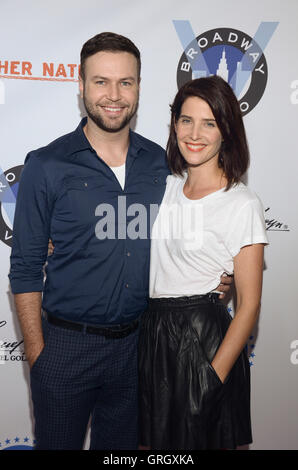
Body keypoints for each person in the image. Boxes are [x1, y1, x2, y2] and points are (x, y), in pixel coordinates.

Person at [8, 32, 232, 450]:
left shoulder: (165, 163)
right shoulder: (47, 164)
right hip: (65, 349)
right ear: (80, 86)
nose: (113, 95)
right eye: (101, 82)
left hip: (140, 349)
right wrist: (40, 358)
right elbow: (24, 267)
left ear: (139, 88)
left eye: (125, 82)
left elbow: (200, 226)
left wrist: (219, 276)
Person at [138, 75, 269, 450]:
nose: (195, 133)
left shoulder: (242, 203)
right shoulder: (165, 187)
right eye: (186, 120)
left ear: (226, 131)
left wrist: (213, 376)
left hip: (205, 342)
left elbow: (249, 305)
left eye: (209, 123)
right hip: (155, 336)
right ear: (174, 125)